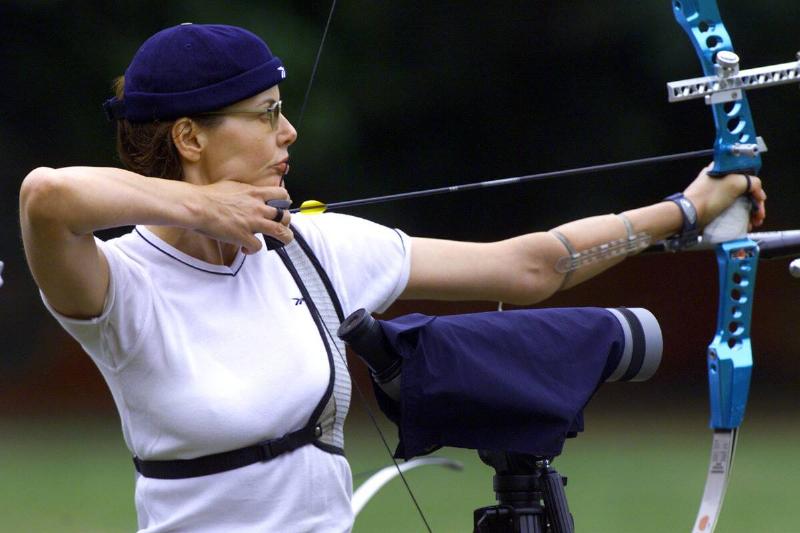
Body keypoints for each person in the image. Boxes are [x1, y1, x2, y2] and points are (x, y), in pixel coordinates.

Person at [19, 23, 766, 533]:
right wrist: (203, 207)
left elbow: (527, 265)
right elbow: (46, 197)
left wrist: (688, 206)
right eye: (267, 113)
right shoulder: (120, 286)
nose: (290, 132)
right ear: (189, 137)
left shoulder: (310, 246)